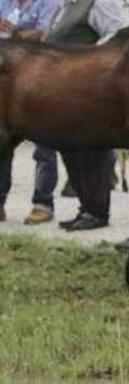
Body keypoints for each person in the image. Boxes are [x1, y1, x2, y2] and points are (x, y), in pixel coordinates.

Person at [46, 0, 127, 230]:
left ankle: (97, 212)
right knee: (70, 149)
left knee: (91, 149)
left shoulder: (100, 2)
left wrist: (86, 56)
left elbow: (117, 32)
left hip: (90, 87)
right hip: (64, 89)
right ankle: (86, 207)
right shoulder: (65, 5)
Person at [0, 0, 60, 225]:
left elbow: (46, 34)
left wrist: (15, 32)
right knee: (3, 141)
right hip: (6, 79)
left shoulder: (49, 3)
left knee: (44, 144)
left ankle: (42, 203)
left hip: (40, 80)